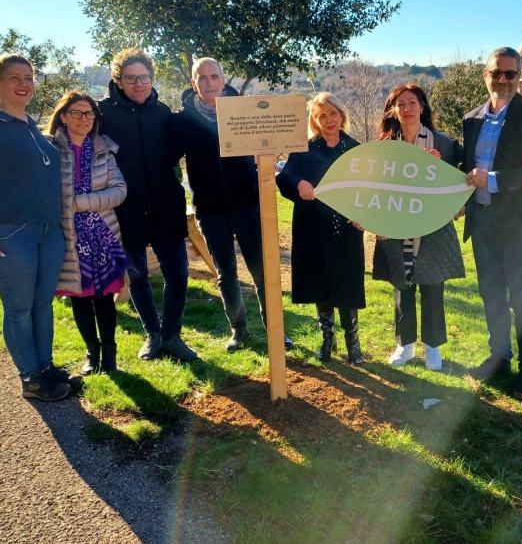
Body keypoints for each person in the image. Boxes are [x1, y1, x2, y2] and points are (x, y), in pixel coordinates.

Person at [0, 54, 79, 401]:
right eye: (14, 78)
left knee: (42, 305)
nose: (24, 84)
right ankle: (31, 377)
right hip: (9, 234)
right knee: (19, 307)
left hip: (47, 232)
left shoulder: (31, 127)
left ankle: (45, 367)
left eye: (29, 77)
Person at [169, 57, 293, 352]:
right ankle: (239, 331)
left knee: (262, 270)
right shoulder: (182, 120)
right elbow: (167, 160)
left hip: (247, 204)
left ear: (223, 81)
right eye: (203, 77)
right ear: (193, 83)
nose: (209, 82)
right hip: (210, 209)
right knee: (226, 274)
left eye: (214, 77)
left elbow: (270, 143)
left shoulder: (245, 113)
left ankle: (276, 330)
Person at [462, 47, 522, 400]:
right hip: (482, 223)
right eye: (496, 73)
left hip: (519, 226)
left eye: (510, 74)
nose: (502, 80)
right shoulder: (472, 119)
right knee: (491, 296)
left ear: (520, 77)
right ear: (485, 75)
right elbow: (467, 170)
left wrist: (495, 179)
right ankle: (499, 357)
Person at [98, 48, 197, 362]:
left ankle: (172, 335)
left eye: (144, 77)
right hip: (126, 209)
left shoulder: (163, 112)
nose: (139, 84)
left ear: (151, 78)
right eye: (131, 78)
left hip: (166, 206)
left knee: (178, 274)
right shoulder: (103, 114)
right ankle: (152, 335)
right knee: (138, 275)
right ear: (119, 80)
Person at [372, 84, 464, 370]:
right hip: (397, 225)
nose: (407, 108)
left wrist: (454, 199)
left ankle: (433, 348)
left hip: (433, 227)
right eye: (401, 104)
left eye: (412, 102)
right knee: (403, 286)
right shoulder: (386, 145)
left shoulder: (443, 144)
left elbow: (460, 179)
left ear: (422, 107)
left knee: (432, 286)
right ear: (393, 110)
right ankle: (405, 345)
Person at [277, 92, 365, 364]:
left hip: (346, 228)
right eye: (322, 116)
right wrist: (298, 183)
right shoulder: (304, 148)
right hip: (314, 229)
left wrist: (364, 214)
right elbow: (286, 177)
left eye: (333, 114)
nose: (329, 120)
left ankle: (353, 344)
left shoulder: (355, 148)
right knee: (320, 283)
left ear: (341, 116)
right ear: (315, 120)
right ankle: (327, 339)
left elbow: (368, 186)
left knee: (347, 284)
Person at [48, 92, 127, 375]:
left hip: (102, 237)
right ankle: (91, 353)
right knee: (79, 298)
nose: (84, 119)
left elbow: (119, 191)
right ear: (63, 116)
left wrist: (80, 203)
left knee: (104, 298)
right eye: (77, 113)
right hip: (67, 236)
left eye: (89, 114)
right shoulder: (49, 150)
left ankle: (110, 354)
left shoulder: (105, 150)